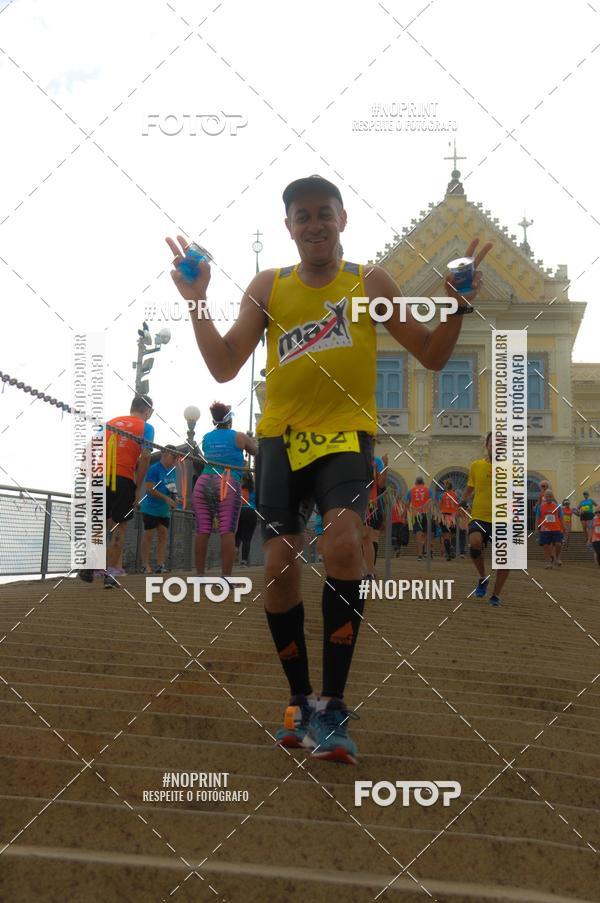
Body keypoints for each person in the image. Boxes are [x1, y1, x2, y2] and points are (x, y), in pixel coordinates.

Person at [166, 173, 490, 764]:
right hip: (278, 444)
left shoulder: (371, 282)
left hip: (345, 438)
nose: (314, 224)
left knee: (343, 548)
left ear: (343, 220)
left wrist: (456, 306)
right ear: (289, 228)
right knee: (279, 569)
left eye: (324, 213)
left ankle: (334, 705)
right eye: (302, 216)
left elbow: (433, 353)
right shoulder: (270, 286)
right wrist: (197, 304)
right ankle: (299, 702)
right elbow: (222, 365)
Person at [79, 394, 154, 589]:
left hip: (100, 477)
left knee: (99, 525)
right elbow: (145, 457)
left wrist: (86, 470)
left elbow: (89, 448)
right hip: (124, 479)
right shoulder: (147, 427)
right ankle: (110, 576)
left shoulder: (110, 423)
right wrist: (137, 487)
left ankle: (90, 563)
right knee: (120, 527)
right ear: (147, 411)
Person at [192, 402, 257, 577]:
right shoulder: (239, 436)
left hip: (204, 482)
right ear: (230, 420)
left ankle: (199, 576)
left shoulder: (206, 437)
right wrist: (252, 440)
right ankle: (226, 577)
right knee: (227, 530)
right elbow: (256, 451)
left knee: (203, 529)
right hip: (227, 483)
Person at [461, 431, 511, 607]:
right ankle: (483, 577)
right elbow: (470, 487)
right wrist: (463, 500)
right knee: (474, 543)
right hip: (480, 515)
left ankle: (496, 595)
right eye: (493, 443)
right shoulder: (476, 466)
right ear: (487, 445)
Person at [139, 445, 180, 574]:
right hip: (151, 507)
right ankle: (145, 565)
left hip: (164, 510)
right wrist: (165, 498)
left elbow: (172, 487)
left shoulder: (172, 470)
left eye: (176, 458)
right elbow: (149, 489)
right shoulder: (154, 469)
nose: (175, 461)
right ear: (165, 454)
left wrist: (175, 497)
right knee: (148, 535)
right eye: (173, 457)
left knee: (163, 535)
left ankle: (160, 565)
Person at [363, 452, 387, 578]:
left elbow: (381, 484)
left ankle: (370, 570)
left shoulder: (376, 461)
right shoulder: (376, 461)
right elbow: (382, 484)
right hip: (365, 506)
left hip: (371, 507)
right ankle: (370, 569)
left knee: (369, 538)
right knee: (368, 538)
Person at [536, 489, 564, 568]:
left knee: (558, 544)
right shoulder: (540, 506)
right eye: (547, 496)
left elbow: (561, 517)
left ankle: (557, 557)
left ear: (552, 497)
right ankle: (549, 562)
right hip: (545, 529)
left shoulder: (557, 506)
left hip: (556, 528)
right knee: (545, 546)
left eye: (550, 496)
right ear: (545, 497)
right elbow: (537, 518)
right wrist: (536, 528)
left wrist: (564, 528)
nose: (548, 498)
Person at [406, 476, 433, 560]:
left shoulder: (411, 491)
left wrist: (409, 512)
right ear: (423, 483)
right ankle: (426, 552)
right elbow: (431, 502)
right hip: (426, 514)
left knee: (418, 533)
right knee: (426, 534)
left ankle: (419, 555)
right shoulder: (428, 490)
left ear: (415, 483)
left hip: (416, 514)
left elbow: (407, 503)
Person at [235, 472, 258, 567]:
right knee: (247, 539)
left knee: (238, 534)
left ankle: (235, 548)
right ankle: (244, 561)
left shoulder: (239, 489)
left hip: (240, 511)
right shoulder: (255, 490)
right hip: (251, 512)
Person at [439, 480, 459, 561]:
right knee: (453, 534)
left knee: (446, 536)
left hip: (444, 516)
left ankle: (448, 555)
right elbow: (457, 505)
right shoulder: (455, 495)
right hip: (452, 517)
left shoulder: (442, 495)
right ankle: (452, 547)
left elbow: (440, 506)